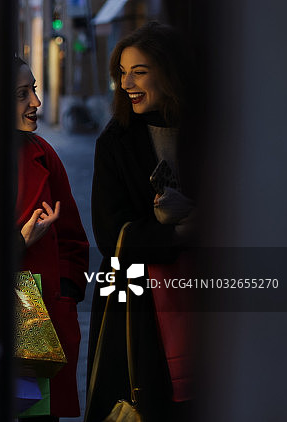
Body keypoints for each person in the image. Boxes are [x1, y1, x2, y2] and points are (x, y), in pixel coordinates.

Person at [86, 21, 197, 421]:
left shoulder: (209, 134)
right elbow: (108, 232)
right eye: (121, 72)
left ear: (169, 73)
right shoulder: (114, 141)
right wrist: (180, 231)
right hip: (133, 297)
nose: (126, 83)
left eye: (140, 71)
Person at [13, 58, 89, 421]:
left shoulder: (44, 154)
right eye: (21, 94)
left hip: (45, 325)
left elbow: (74, 239)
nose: (36, 103)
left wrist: (65, 294)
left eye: (35, 90)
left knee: (41, 414)